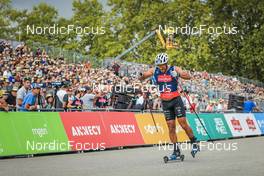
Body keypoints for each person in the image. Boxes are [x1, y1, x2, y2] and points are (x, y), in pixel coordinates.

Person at [139, 53, 199, 159]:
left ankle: (194, 142)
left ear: (166, 63)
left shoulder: (174, 68)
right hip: (165, 103)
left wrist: (178, 74)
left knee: (183, 124)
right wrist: (142, 76)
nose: (160, 67)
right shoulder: (154, 70)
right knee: (171, 127)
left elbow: (189, 76)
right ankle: (176, 151)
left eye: (162, 64)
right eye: (158, 65)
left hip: (176, 100)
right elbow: (143, 76)